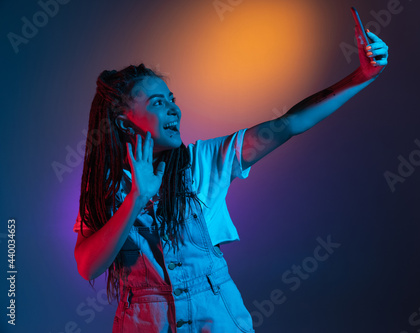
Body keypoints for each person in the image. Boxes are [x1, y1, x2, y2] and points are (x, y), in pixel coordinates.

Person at [73, 14, 389, 333]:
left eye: (172, 101)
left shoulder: (204, 161)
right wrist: (136, 199)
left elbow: (291, 123)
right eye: (158, 103)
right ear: (125, 121)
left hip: (217, 319)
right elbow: (88, 266)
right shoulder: (106, 188)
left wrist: (361, 76)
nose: (174, 110)